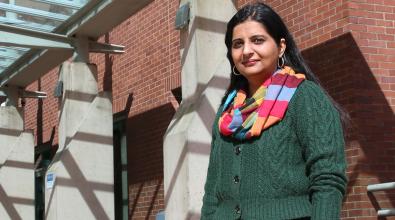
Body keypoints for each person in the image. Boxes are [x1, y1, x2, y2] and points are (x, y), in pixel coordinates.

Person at [201, 2, 348, 220]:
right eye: (238, 44)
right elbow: (212, 193)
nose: (247, 51)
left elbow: (328, 179)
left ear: (280, 47)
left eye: (257, 40)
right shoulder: (228, 111)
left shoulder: (305, 97)